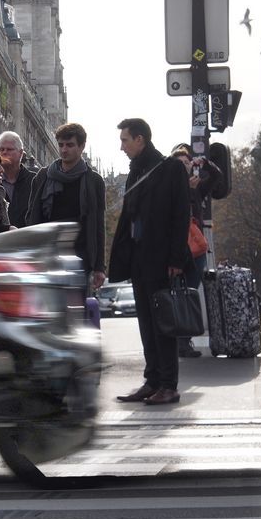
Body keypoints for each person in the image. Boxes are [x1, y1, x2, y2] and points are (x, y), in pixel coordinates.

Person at [109, 118, 191, 406]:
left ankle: (169, 384)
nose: (122, 147)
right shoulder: (135, 171)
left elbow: (181, 215)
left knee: (163, 324)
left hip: (161, 258)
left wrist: (176, 259)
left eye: (125, 140)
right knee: (146, 322)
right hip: (139, 258)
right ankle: (153, 380)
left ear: (140, 139)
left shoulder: (170, 169)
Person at [26, 122, 106, 291]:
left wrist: (99, 267)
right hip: (48, 253)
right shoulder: (43, 176)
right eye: (61, 145)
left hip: (81, 254)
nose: (64, 150)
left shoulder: (94, 181)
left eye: (70, 145)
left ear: (82, 146)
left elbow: (98, 225)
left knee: (78, 307)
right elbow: (32, 215)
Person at [170, 143, 224, 358]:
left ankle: (185, 341)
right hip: (175, 247)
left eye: (187, 162)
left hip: (196, 249)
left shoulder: (197, 187)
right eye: (179, 163)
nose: (184, 166)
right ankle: (175, 339)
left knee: (190, 292)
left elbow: (217, 176)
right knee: (175, 293)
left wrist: (206, 163)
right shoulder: (169, 188)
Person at [0, 130, 36, 228]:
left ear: (21, 153)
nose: (4, 152)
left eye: (9, 149)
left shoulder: (34, 180)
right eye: (1, 149)